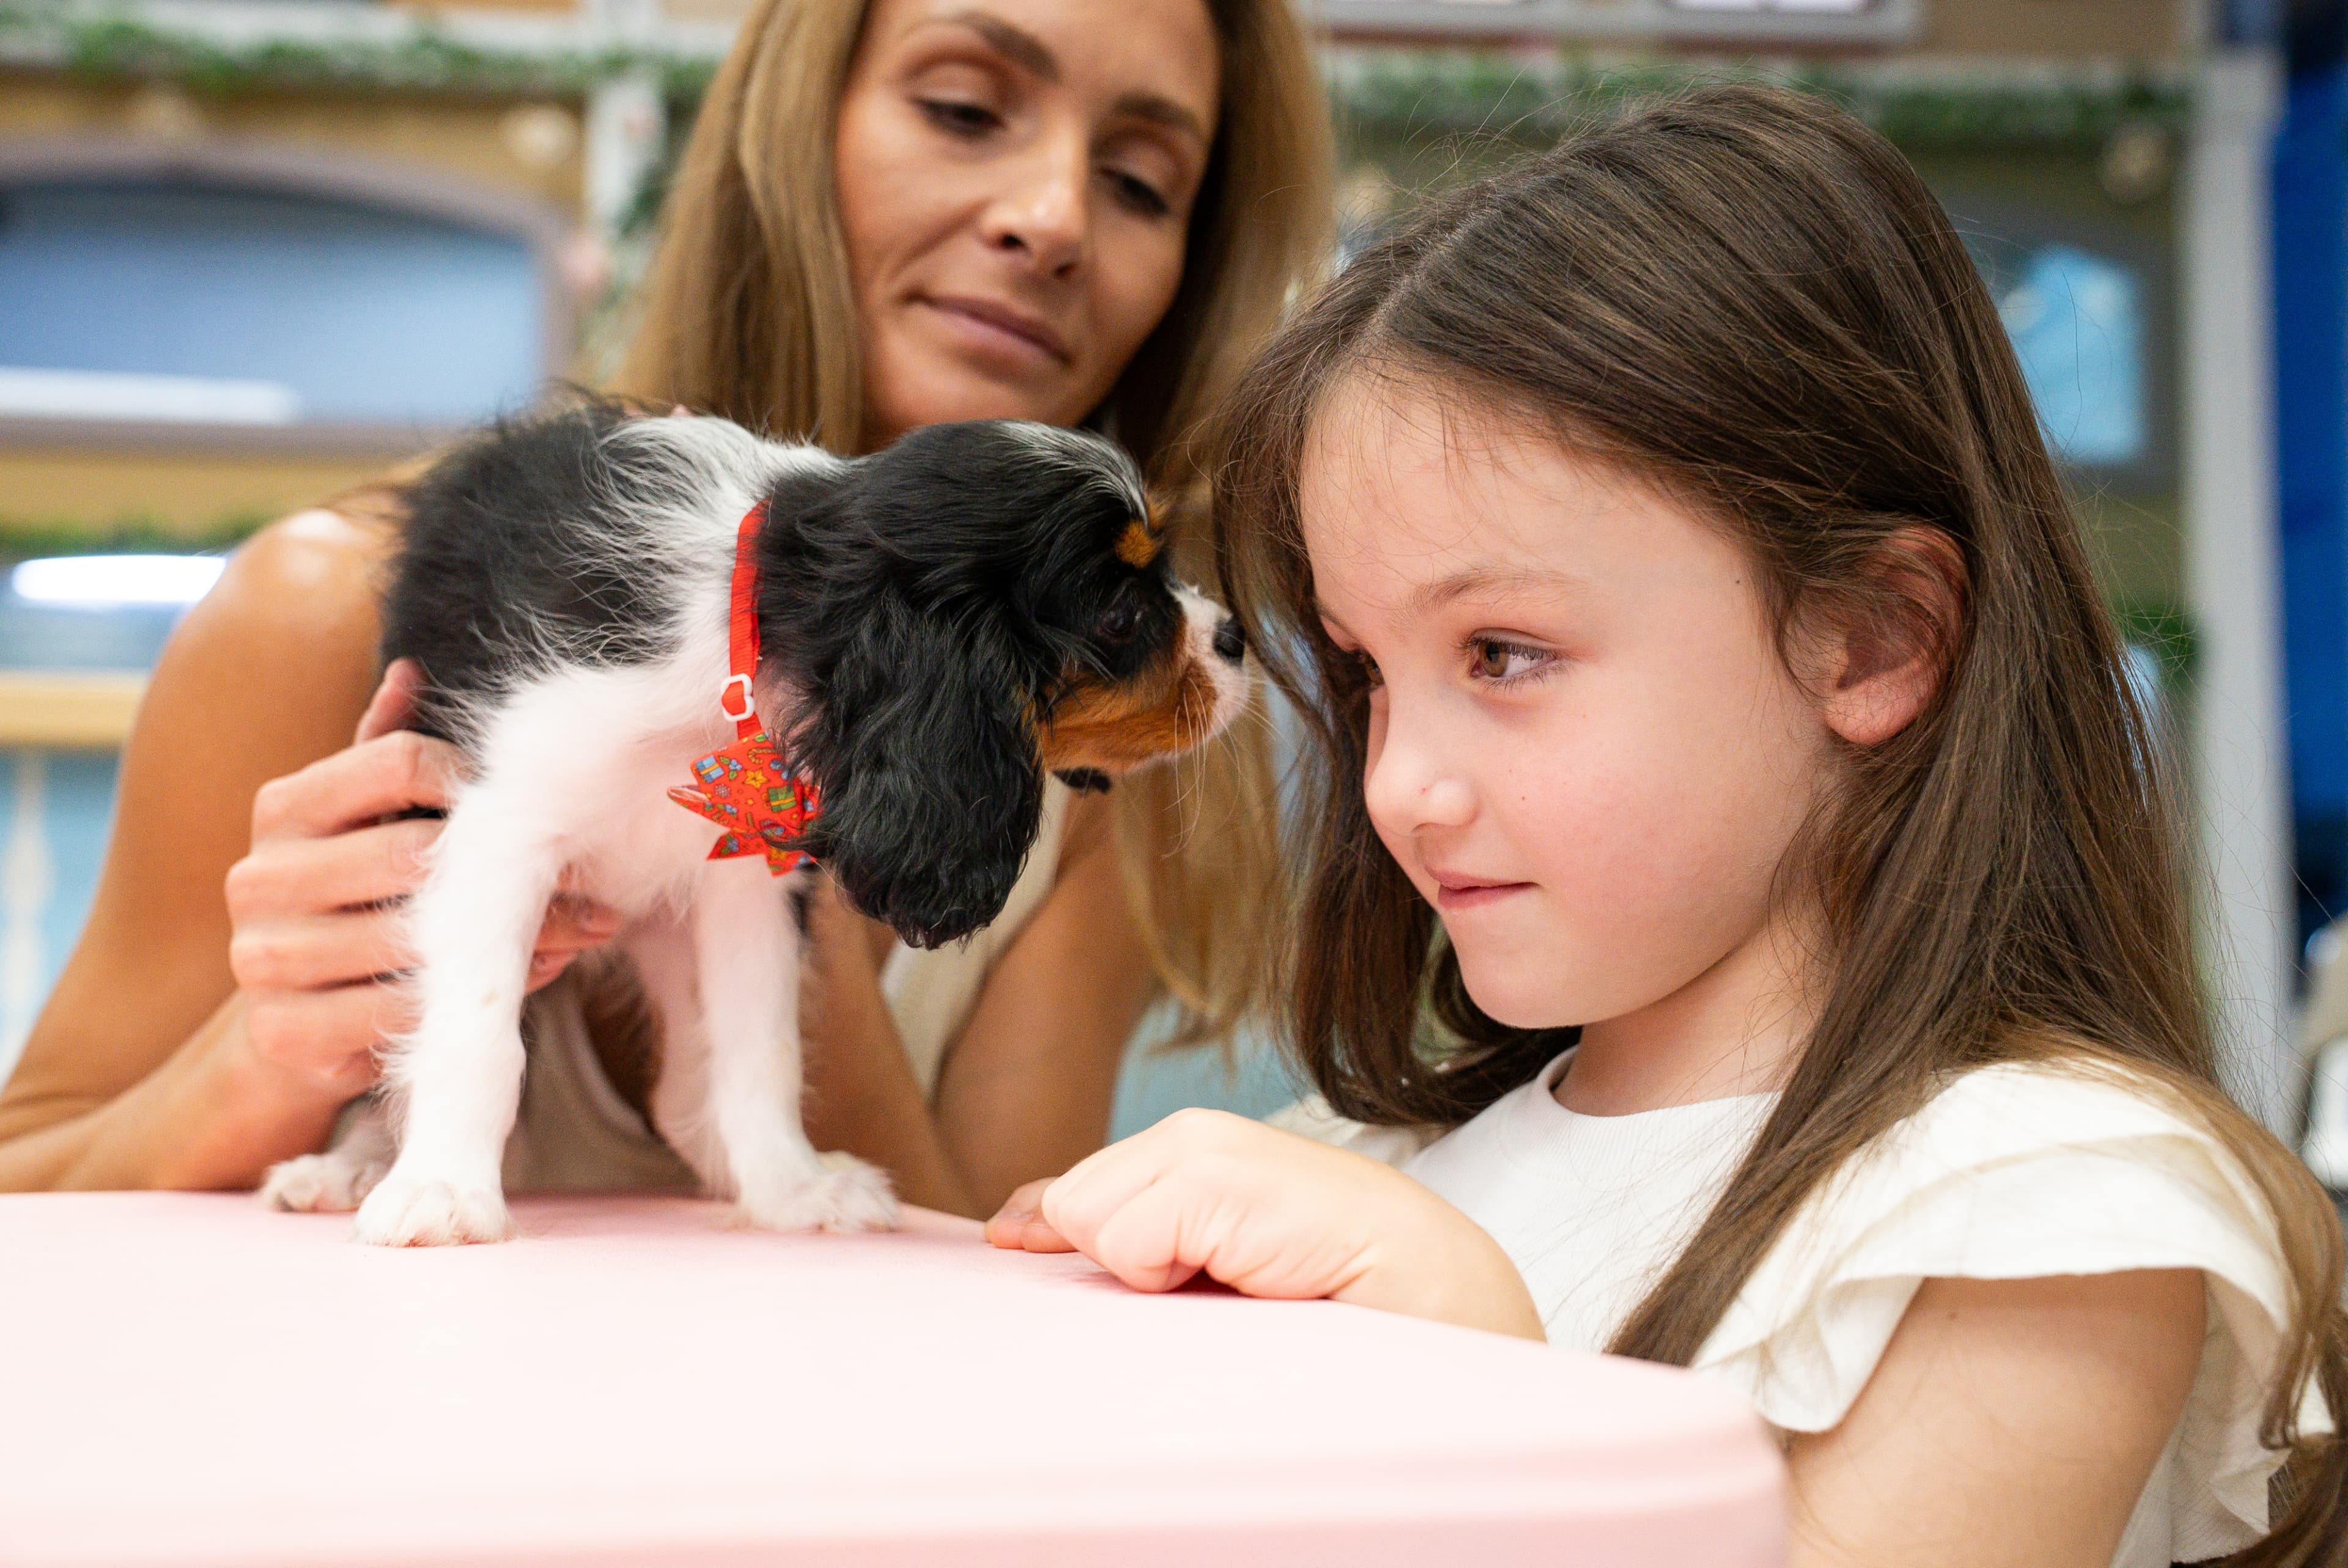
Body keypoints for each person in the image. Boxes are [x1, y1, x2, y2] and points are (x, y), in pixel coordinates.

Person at [987, 87, 2346, 1565]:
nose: (1399, 786)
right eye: (1370, 673)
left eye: (1504, 653)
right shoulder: (1366, 1155)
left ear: (1875, 638)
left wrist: (1467, 1342)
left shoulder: (2053, 1202)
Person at [0, 0, 1331, 1218]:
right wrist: (272, 1052)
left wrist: (819, 793)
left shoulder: (1092, 740)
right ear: (789, 128)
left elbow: (991, 1270)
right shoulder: (325, 606)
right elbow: (30, 1183)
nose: (1051, 215)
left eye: (1142, 182)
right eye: (965, 107)